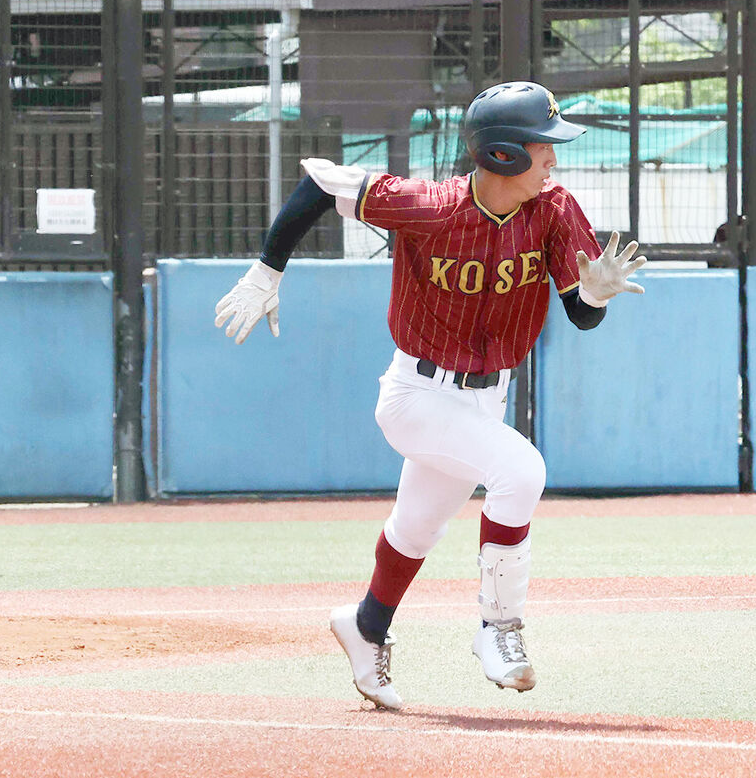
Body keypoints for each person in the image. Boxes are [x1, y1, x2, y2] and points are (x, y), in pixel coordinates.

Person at [212, 81, 645, 711]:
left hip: (483, 400)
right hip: (416, 394)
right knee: (521, 471)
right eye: (543, 146)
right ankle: (499, 629)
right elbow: (318, 183)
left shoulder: (553, 209)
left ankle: (365, 628)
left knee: (416, 528)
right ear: (502, 155)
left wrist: (595, 296)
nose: (554, 157)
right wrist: (266, 270)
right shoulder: (428, 205)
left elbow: (580, 314)